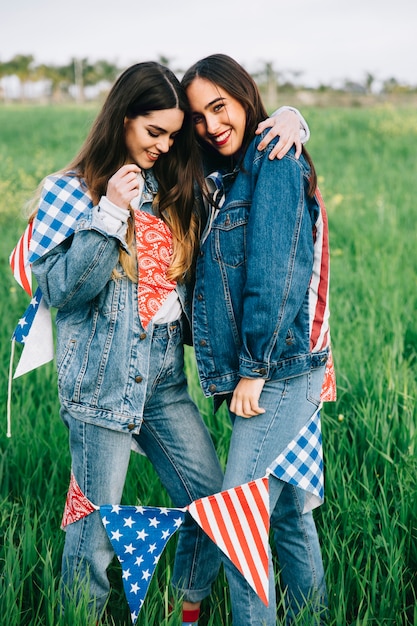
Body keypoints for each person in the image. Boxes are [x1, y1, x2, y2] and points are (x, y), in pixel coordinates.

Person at [19, 61, 306, 626]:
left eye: (174, 135)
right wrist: (108, 216)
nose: (165, 145)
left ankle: (185, 609)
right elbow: (61, 290)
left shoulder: (171, 183)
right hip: (101, 385)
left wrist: (293, 119)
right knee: (95, 530)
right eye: (155, 132)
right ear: (123, 120)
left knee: (208, 508)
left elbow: (238, 150)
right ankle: (80, 616)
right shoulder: (70, 192)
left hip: (165, 381)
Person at [182, 54, 336, 625]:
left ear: (244, 98)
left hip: (278, 369)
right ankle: (311, 615)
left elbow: (276, 275)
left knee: (236, 524)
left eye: (219, 107)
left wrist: (253, 368)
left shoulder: (273, 163)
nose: (211, 125)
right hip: (287, 364)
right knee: (290, 510)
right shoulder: (225, 174)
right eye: (198, 116)